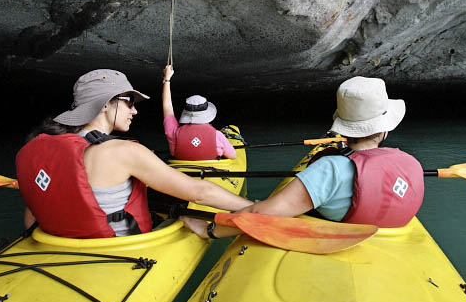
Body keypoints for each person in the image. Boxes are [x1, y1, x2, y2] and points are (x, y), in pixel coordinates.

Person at [16, 69, 252, 239]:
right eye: (129, 102)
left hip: (62, 243)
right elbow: (200, 192)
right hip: (117, 251)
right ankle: (197, 225)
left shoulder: (46, 148)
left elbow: (32, 214)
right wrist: (253, 207)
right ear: (105, 104)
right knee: (178, 205)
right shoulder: (123, 152)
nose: (135, 110)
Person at [180, 76, 424, 240]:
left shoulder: (331, 168)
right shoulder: (409, 162)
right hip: (389, 238)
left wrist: (211, 230)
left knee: (261, 205)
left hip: (337, 235)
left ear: (344, 129)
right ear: (384, 131)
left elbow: (263, 215)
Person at [161, 65, 237, 160]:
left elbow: (167, 105)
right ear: (207, 114)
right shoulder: (217, 135)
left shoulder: (173, 133)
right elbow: (233, 156)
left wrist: (167, 78)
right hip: (211, 169)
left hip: (181, 168)